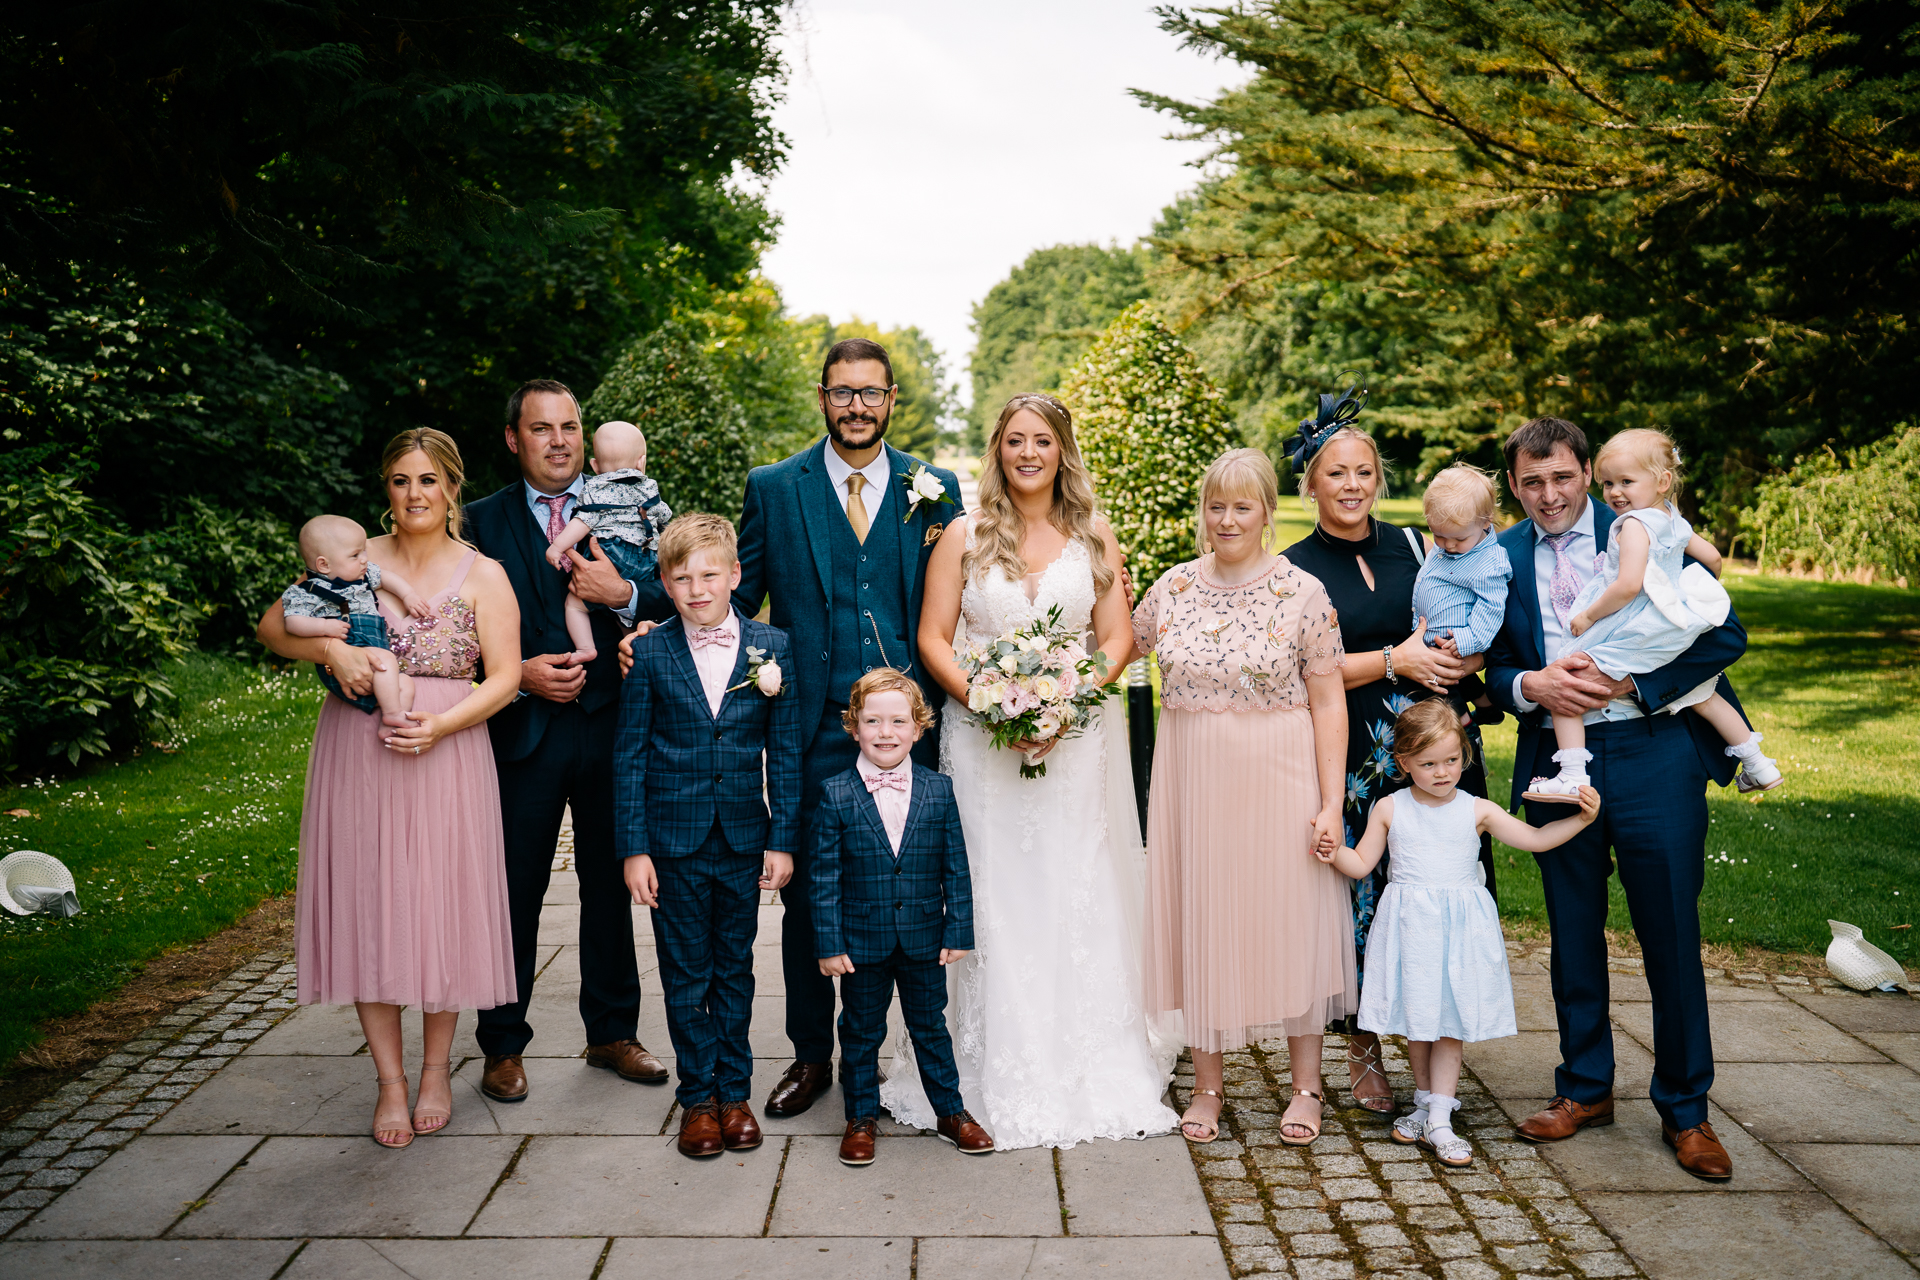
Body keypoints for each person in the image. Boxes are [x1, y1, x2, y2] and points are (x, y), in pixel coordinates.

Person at [882, 393, 1177, 1150]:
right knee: (991, 892)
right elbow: (934, 637)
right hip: (982, 748)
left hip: (1076, 745)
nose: (1027, 453)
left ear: (1061, 450)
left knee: (1075, 886)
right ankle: (976, 1071)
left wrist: (1063, 704)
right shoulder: (964, 535)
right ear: (997, 450)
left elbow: (1114, 641)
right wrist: (989, 701)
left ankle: (1091, 1062)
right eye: (1014, 441)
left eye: (1041, 441)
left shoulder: (1094, 535)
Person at [1485, 416, 1750, 1181]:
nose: (1549, 495)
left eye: (1563, 477)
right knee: (1572, 932)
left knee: (1669, 928)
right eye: (1531, 482)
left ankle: (1688, 1110)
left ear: (1586, 474)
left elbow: (1723, 635)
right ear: (1514, 485)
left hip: (1653, 748)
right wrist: (1525, 684)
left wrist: (1637, 681)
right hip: (1556, 756)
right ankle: (1585, 1090)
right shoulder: (1497, 555)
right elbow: (1488, 661)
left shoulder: (1646, 527)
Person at [257, 428, 520, 1149]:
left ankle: (435, 1070)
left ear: (453, 487)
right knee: (372, 909)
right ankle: (390, 1084)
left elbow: (504, 677)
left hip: (448, 748)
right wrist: (331, 647)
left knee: (440, 908)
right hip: (358, 750)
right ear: (386, 489)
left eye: (428, 480)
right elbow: (274, 628)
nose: (414, 495)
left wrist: (442, 728)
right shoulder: (352, 556)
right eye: (401, 481)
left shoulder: (484, 574)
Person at [730, 338, 963, 1120]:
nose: (856, 406)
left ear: (893, 398)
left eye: (871, 392)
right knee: (808, 899)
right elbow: (737, 601)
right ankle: (810, 1057)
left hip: (915, 728)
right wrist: (650, 623)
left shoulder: (935, 488)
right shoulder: (774, 487)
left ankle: (914, 1052)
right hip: (812, 730)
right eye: (842, 392)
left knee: (917, 891)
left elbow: (965, 598)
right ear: (822, 396)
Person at [1281, 390, 1495, 1115]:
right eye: (1335, 473)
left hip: (1433, 745)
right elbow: (1295, 669)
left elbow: (1469, 615)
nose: (1351, 486)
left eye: (1364, 472)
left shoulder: (1416, 545)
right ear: (1310, 483)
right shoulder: (1293, 570)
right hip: (1354, 753)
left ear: (1381, 480)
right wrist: (1392, 661)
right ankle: (1363, 1043)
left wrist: (1465, 663)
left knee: (1428, 898)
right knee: (1361, 901)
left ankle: (1426, 1039)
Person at [463, 379, 677, 1106]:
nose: (559, 440)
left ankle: (613, 1033)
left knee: (613, 884)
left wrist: (631, 607)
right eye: (542, 428)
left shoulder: (625, 501)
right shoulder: (478, 523)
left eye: (570, 426)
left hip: (616, 723)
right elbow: (446, 632)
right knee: (513, 887)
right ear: (513, 438)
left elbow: (670, 592)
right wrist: (515, 674)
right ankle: (501, 1043)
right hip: (522, 730)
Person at [1133, 447, 1354, 1147]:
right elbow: (1109, 647)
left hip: (1282, 778)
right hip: (1194, 783)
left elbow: (1330, 701)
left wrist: (1329, 802)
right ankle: (1207, 1085)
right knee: (1207, 919)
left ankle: (1307, 1086)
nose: (1227, 519)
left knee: (1292, 921)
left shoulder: (1304, 594)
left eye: (1242, 506)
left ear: (1268, 512)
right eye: (1215, 505)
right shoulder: (1169, 589)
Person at [1320, 700, 1599, 1166]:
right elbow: (1362, 864)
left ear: (1464, 756)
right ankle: (1426, 1103)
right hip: (1411, 929)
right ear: (1404, 763)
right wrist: (1333, 852)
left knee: (1447, 1022)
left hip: (1458, 931)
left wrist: (1580, 820)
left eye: (1451, 760)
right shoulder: (1390, 808)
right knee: (1417, 1021)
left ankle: (1441, 1119)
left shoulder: (1478, 810)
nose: (1442, 772)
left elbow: (1532, 840)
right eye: (1428, 764)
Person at [614, 513, 803, 1158]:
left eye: (710, 575)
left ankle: (736, 1092)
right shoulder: (650, 651)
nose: (697, 589)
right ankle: (697, 1097)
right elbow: (630, 756)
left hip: (744, 837)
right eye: (683, 577)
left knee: (736, 967)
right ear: (665, 582)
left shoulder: (771, 648)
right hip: (672, 841)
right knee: (685, 969)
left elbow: (785, 753)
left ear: (735, 575)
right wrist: (634, 849)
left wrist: (782, 840)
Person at [1520, 428, 1780, 799]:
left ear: (1663, 481)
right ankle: (1758, 763)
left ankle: (1573, 773)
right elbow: (1714, 560)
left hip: (1646, 691)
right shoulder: (1674, 520)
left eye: (1626, 481)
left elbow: (1626, 586)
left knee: (1567, 673)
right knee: (1704, 694)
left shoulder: (1630, 526)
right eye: (1610, 484)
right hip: (1672, 620)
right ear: (1514, 484)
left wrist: (1589, 617)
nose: (1614, 492)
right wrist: (1683, 592)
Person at [809, 669, 994, 1166]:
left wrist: (958, 930)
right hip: (860, 942)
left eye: (897, 721)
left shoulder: (938, 790)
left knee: (930, 1028)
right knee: (861, 1031)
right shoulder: (834, 793)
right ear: (853, 727)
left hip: (923, 939)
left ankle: (951, 1112)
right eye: (872, 720)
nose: (885, 732)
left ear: (919, 727)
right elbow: (823, 877)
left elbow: (956, 866)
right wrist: (829, 944)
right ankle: (861, 1116)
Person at [280, 514, 431, 735]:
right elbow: (292, 622)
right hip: (345, 655)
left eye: (364, 552)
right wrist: (324, 628)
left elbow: (387, 578)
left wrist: (408, 594)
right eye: (354, 555)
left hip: (372, 660)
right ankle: (392, 713)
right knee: (386, 660)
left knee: (405, 683)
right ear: (323, 564)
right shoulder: (308, 591)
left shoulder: (365, 574)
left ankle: (390, 724)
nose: (364, 559)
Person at [545, 421, 673, 665]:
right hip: (645, 558)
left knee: (575, 604)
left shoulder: (595, 488)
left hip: (611, 554)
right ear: (641, 462)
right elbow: (664, 519)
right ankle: (635, 652)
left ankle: (585, 648)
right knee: (628, 616)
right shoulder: (649, 488)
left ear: (594, 465)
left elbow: (583, 520)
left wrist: (557, 547)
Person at [1410, 465, 1511, 731]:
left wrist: (1467, 640)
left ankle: (1465, 728)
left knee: (1444, 687)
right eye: (1438, 535)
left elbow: (1492, 608)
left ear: (1486, 521)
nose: (1447, 545)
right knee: (1456, 679)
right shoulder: (1449, 545)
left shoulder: (1488, 563)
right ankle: (1487, 705)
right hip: (1432, 635)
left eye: (1459, 538)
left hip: (1453, 641)